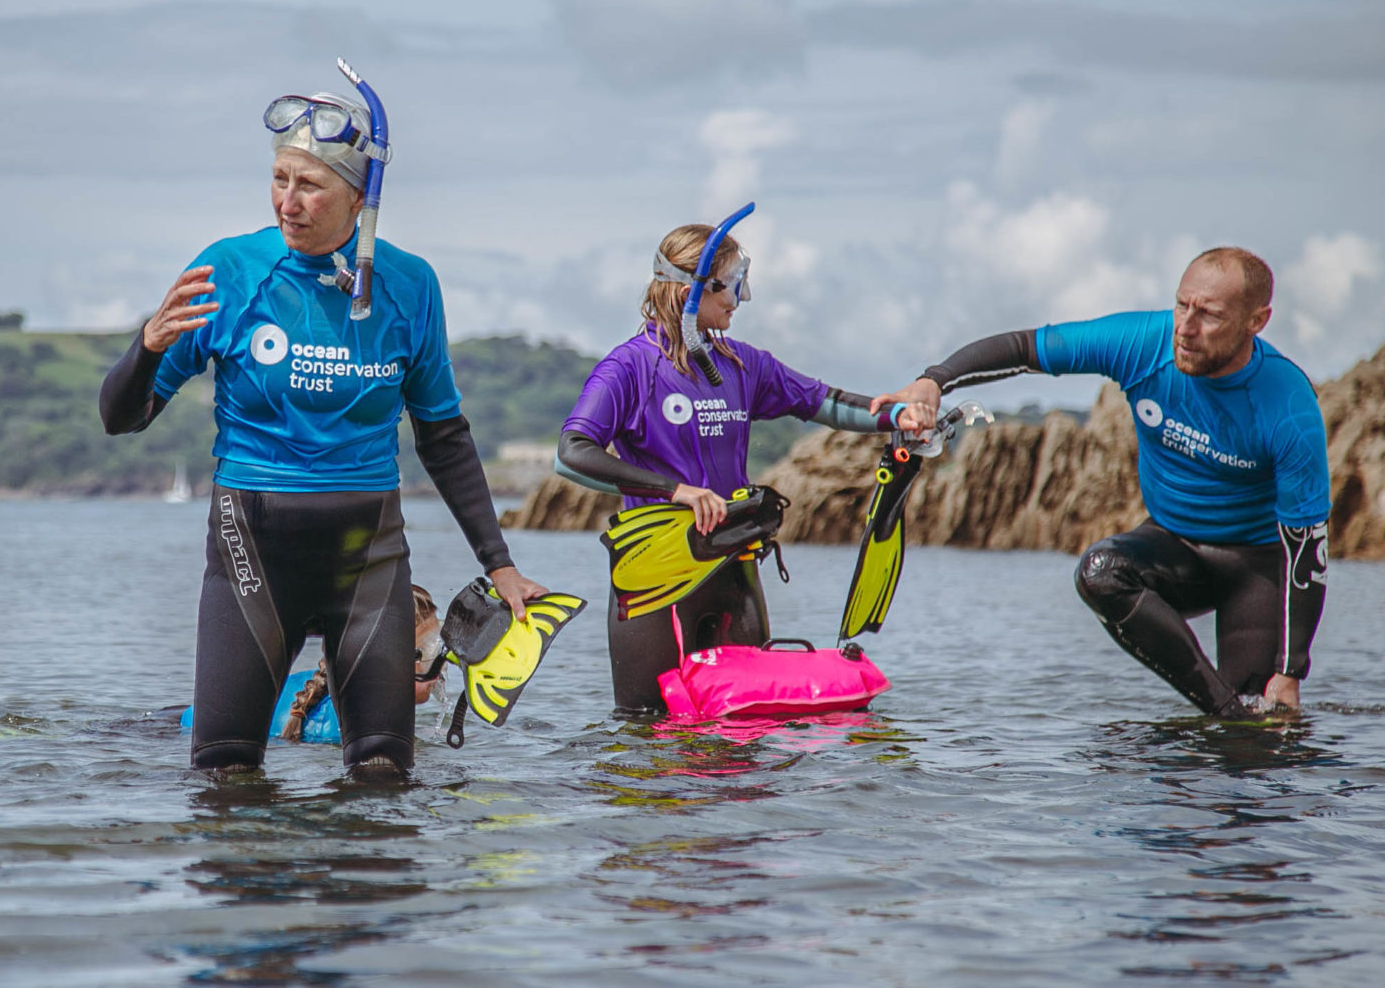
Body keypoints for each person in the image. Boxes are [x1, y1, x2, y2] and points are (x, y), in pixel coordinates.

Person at [101, 75, 548, 774]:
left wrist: (501, 565)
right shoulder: (229, 271)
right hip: (251, 545)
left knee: (384, 776)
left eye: (309, 185)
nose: (288, 202)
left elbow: (442, 436)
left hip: (366, 555)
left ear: (360, 198)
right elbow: (121, 418)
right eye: (279, 179)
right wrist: (148, 346)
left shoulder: (410, 285)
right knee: (226, 776)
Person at [873, 247, 1328, 717]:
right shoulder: (1144, 344)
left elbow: (1306, 549)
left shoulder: (1287, 405)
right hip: (1175, 546)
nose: (1186, 328)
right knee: (1101, 573)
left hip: (1256, 568)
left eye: (1209, 315)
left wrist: (1290, 671)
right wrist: (934, 381)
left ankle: (1236, 719)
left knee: (1266, 720)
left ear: (1256, 321)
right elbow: (1025, 349)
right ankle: (1222, 712)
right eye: (1181, 305)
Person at [559, 223, 931, 716]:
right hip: (655, 581)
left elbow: (823, 402)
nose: (741, 298)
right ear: (693, 290)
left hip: (735, 573)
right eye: (732, 284)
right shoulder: (630, 368)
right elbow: (572, 452)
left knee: (747, 736)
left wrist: (897, 416)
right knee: (647, 739)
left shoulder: (741, 365)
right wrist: (675, 490)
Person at [180, 584, 446, 744]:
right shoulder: (353, 726)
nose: (440, 663)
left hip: (191, 718)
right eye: (427, 651)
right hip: (185, 731)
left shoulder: (320, 686)